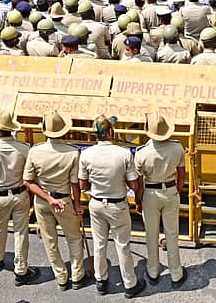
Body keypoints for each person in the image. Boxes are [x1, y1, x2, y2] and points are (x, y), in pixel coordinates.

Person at [79, 115, 146, 298]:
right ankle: (130, 284)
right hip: (117, 205)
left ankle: (101, 281)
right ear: (110, 132)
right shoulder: (123, 154)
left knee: (99, 244)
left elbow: (83, 185)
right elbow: (134, 185)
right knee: (122, 245)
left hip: (96, 203)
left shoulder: (86, 154)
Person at [23, 111, 90, 291]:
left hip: (42, 201)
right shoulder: (72, 152)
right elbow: (74, 183)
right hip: (64, 200)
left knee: (49, 241)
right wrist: (77, 205)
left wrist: (48, 198)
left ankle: (61, 277)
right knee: (74, 238)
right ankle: (78, 276)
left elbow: (28, 181)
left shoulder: (35, 151)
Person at [0, 111, 41, 286]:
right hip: (20, 194)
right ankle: (21, 270)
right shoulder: (25, 148)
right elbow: (30, 176)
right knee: (21, 233)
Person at [134, 114, 188, 288]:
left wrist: (138, 201)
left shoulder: (141, 153)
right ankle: (176, 274)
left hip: (150, 194)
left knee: (151, 235)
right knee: (172, 234)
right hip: (170, 191)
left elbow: (139, 183)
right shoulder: (177, 148)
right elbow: (182, 175)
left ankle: (153, 272)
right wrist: (176, 190)